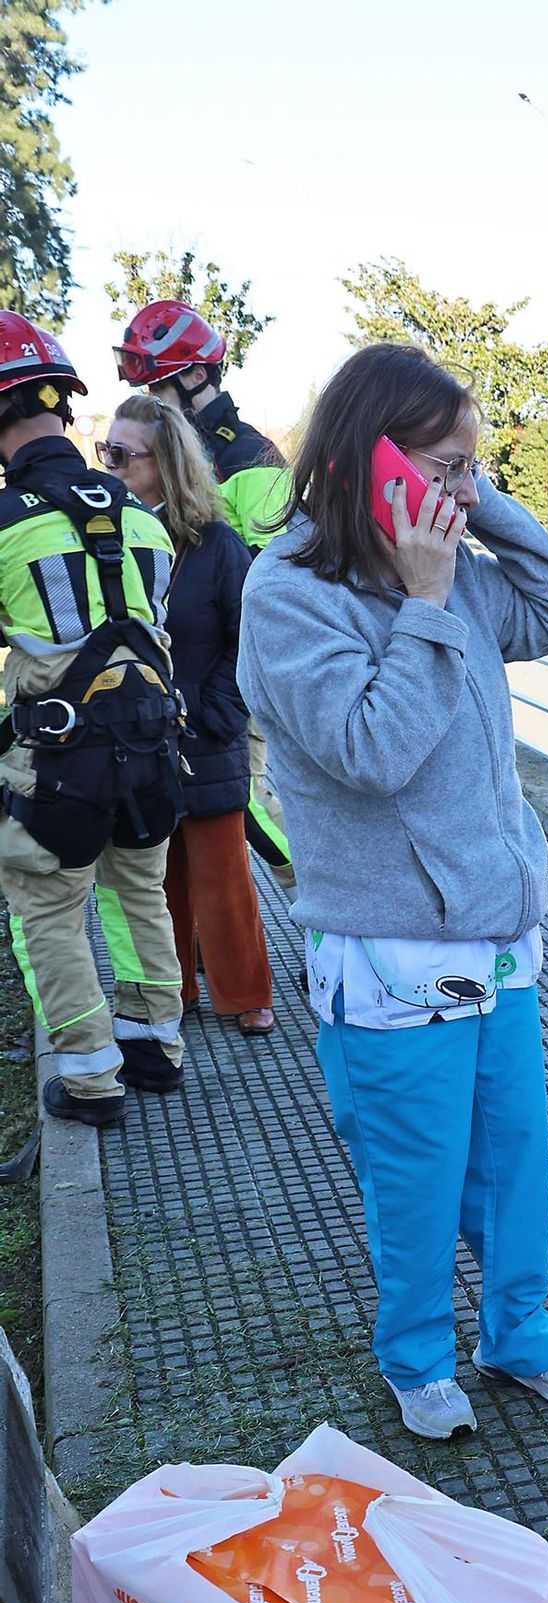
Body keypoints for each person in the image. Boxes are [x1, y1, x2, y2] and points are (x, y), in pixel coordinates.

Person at [237, 341, 548, 1443]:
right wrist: (430, 601)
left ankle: (520, 1330)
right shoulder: (288, 593)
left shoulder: (448, 562)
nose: (460, 489)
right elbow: (373, 751)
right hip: (388, 948)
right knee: (416, 1177)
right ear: (371, 461)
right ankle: (416, 1357)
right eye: (442, 467)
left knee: (512, 1160)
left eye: (467, 467)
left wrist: (479, 507)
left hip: (496, 929)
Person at [0, 314, 186, 1128]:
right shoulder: (143, 516)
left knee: (47, 908)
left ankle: (88, 1080)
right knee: (140, 893)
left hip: (56, 766)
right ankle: (156, 1046)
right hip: (150, 749)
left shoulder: (8, 522)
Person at [102, 393, 274, 1034]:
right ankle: (172, 989)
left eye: (122, 454)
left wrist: (216, 711)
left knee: (223, 872)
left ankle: (245, 993)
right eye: (106, 452)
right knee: (154, 875)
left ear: (165, 463)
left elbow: (249, 638)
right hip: (135, 733)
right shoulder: (107, 539)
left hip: (205, 730)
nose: (110, 465)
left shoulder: (217, 545)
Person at [114, 301, 296, 886]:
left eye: (157, 389)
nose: (151, 405)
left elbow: (281, 575)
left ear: (196, 375)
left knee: (250, 807)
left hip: (237, 674)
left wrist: (222, 701)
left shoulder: (246, 455)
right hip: (189, 677)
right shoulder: (172, 458)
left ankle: (332, 905)